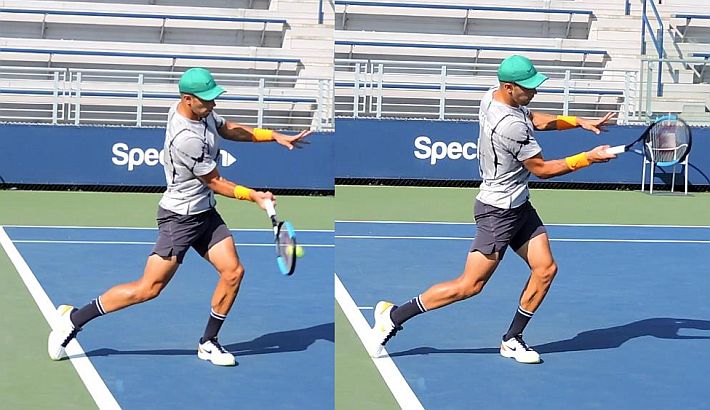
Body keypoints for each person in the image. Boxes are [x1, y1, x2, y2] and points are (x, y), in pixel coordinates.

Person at [48, 67, 309, 366]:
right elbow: (215, 182)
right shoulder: (186, 138)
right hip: (179, 219)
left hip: (205, 213)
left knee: (233, 272)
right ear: (187, 99)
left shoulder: (201, 112)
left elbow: (227, 128)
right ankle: (73, 320)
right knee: (148, 289)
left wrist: (272, 136)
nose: (213, 104)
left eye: (213, 98)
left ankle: (208, 342)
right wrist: (255, 197)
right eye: (207, 100)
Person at [371, 55, 616, 364]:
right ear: (509, 87)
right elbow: (542, 169)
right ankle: (393, 317)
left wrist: (578, 121)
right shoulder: (510, 126)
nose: (534, 91)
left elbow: (536, 119)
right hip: (497, 211)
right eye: (528, 88)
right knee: (469, 286)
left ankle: (512, 339)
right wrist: (588, 158)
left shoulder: (493, 96)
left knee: (545, 269)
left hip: (519, 206)